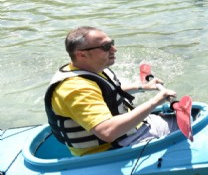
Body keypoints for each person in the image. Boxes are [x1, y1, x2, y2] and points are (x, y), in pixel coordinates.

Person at [45, 27, 178, 156]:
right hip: (115, 148)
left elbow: (110, 91)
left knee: (190, 115)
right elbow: (108, 132)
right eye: (105, 47)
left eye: (111, 43)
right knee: (191, 130)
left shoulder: (90, 68)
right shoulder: (76, 89)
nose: (114, 49)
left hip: (130, 132)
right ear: (82, 55)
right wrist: (155, 101)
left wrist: (142, 87)